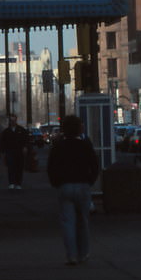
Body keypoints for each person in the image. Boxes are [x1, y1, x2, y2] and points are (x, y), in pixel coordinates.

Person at [47, 114, 100, 266]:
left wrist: (56, 183)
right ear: (79, 128)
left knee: (68, 222)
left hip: (65, 186)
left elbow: (52, 167)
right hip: (83, 185)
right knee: (83, 221)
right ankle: (83, 253)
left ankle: (71, 256)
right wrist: (90, 181)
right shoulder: (84, 145)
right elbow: (94, 165)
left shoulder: (58, 146)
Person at [0, 114, 29, 190]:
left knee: (19, 167)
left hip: (19, 151)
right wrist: (3, 152)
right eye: (11, 120)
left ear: (16, 120)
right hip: (10, 151)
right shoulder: (6, 131)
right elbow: (3, 142)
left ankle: (18, 183)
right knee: (11, 167)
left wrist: (25, 147)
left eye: (14, 120)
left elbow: (26, 139)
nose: (13, 122)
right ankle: (11, 183)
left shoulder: (21, 130)